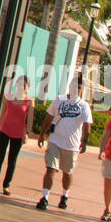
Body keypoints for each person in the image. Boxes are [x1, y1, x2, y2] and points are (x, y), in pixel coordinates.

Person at [35, 75, 92, 211]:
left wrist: (84, 141)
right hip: (55, 140)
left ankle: (65, 195)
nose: (75, 89)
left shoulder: (84, 106)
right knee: (51, 168)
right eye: (73, 86)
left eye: (78, 88)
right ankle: (45, 197)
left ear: (81, 90)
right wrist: (41, 135)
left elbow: (87, 125)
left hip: (71, 145)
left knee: (67, 172)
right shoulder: (59, 100)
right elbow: (48, 118)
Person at [0, 74, 33, 196]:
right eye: (19, 84)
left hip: (18, 134)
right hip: (5, 131)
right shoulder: (8, 97)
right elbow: (2, 115)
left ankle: (6, 185)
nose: (21, 87)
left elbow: (30, 119)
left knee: (12, 160)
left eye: (24, 85)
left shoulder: (29, 101)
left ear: (28, 87)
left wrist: (27, 133)